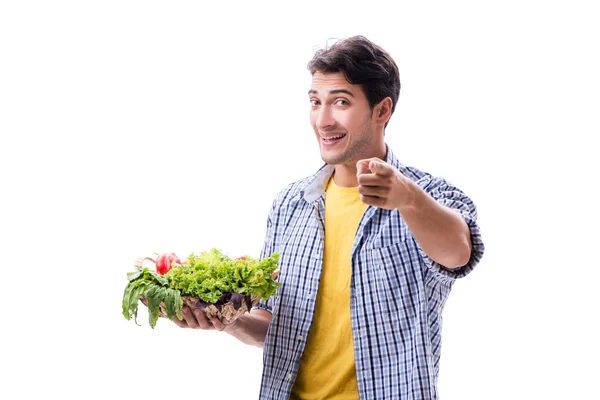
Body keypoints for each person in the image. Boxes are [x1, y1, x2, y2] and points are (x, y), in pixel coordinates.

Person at [172, 35, 485, 399]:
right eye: (315, 102)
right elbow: (281, 327)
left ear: (382, 110)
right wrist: (226, 319)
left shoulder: (428, 196)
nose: (323, 120)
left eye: (340, 102)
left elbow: (459, 253)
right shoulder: (290, 205)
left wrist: (408, 199)